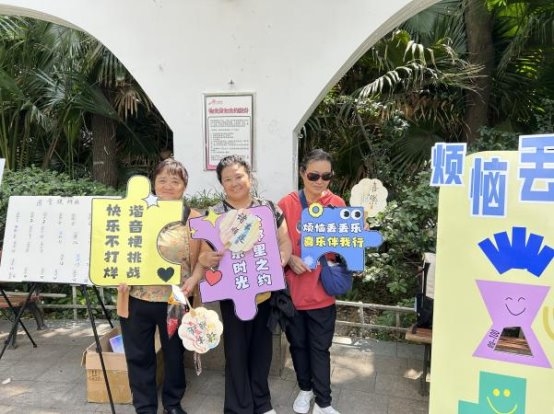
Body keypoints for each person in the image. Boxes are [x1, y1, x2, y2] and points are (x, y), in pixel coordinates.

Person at [189, 154, 292, 414]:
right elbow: (204, 256)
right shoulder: (214, 215)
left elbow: (285, 241)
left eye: (239, 176)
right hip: (232, 297)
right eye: (228, 179)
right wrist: (207, 259)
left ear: (249, 177)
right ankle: (238, 407)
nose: (234, 183)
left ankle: (262, 403)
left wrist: (281, 260)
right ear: (221, 184)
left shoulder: (268, 209)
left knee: (262, 351)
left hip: (264, 293)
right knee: (236, 353)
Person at [118, 158, 201, 414]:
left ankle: (172, 404)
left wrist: (194, 279)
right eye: (162, 180)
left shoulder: (193, 218)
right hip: (136, 296)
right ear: (153, 183)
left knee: (174, 354)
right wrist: (118, 276)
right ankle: (144, 407)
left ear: (184, 186)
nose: (168, 185)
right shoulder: (136, 213)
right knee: (139, 355)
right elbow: (118, 248)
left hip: (175, 300)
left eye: (175, 181)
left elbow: (204, 258)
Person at [277, 149, 344, 414]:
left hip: (322, 292)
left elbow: (344, 251)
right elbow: (273, 245)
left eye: (326, 176)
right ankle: (305, 389)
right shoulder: (286, 204)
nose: (320, 181)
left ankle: (324, 401)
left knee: (320, 348)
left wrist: (357, 236)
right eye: (314, 175)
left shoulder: (337, 204)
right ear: (302, 173)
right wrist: (290, 258)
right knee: (298, 345)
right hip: (293, 293)